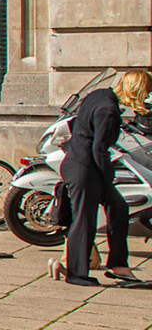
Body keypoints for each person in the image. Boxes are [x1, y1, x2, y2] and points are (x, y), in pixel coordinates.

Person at [51, 69, 150, 285]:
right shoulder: (108, 110)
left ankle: (119, 267)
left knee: (119, 208)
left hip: (80, 162)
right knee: (84, 220)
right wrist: (108, 177)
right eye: (145, 92)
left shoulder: (99, 94)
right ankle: (76, 274)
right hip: (86, 167)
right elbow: (99, 149)